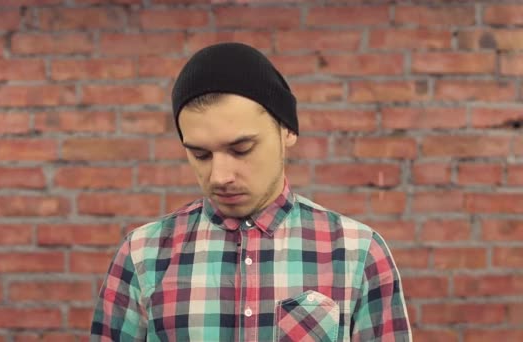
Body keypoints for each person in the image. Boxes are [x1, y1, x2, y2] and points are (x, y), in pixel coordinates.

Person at [90, 42, 412, 341]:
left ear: (287, 130)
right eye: (201, 155)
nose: (220, 177)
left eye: (241, 149)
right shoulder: (143, 255)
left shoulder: (358, 253)